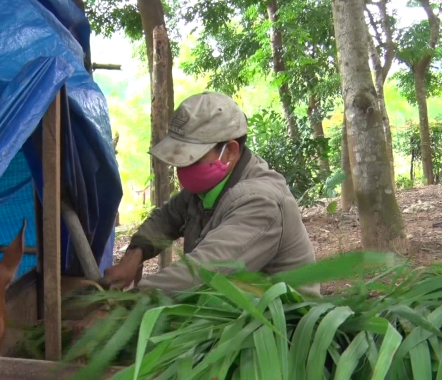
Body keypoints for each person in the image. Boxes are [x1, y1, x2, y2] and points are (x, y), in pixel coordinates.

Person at [103, 92, 320, 297]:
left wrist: (126, 304)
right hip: (232, 314)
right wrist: (134, 256)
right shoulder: (207, 189)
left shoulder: (261, 202)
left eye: (192, 159)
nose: (182, 169)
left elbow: (201, 274)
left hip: (279, 327)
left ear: (231, 151)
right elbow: (166, 218)